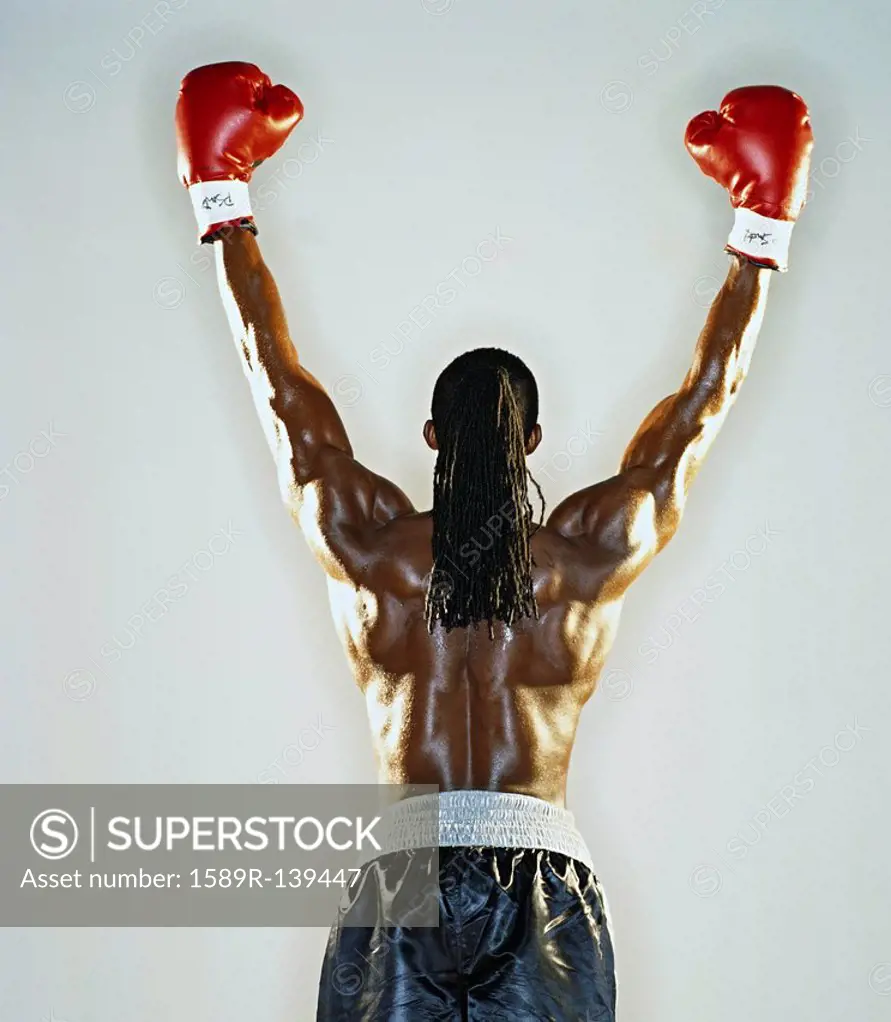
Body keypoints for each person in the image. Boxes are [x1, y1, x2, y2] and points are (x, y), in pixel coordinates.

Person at [175, 61, 813, 1021]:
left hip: (404, 879)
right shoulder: (587, 556)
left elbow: (280, 389)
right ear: (536, 443)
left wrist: (222, 200)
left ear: (430, 438)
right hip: (543, 884)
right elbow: (700, 403)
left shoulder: (371, 545)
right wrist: (760, 231)